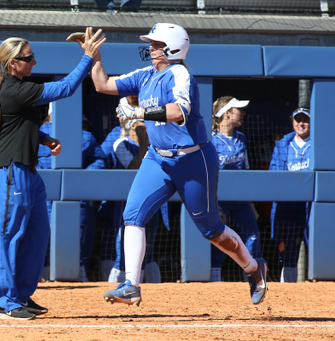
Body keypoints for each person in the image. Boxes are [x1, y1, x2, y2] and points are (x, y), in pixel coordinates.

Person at [82, 23, 267, 306]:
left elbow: (179, 112)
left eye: (156, 44)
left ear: (171, 48)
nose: (151, 48)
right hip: (158, 158)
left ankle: (253, 269)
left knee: (211, 230)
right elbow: (102, 84)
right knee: (132, 214)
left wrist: (138, 112)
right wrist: (93, 56)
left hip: (192, 159)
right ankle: (131, 284)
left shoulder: (180, 74)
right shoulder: (145, 74)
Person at [0, 28, 105, 320]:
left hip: (26, 169)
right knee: (9, 236)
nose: (34, 62)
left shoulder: (16, 87)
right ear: (13, 63)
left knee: (38, 233)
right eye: (29, 58)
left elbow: (16, 125)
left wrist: (44, 138)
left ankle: (21, 294)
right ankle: (4, 301)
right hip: (8, 170)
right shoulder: (13, 88)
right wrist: (87, 58)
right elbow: (65, 88)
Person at [37, 105, 107, 282]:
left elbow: (100, 161)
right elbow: (100, 161)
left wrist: (82, 176)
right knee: (73, 254)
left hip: (55, 200)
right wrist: (81, 177)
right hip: (56, 202)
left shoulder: (84, 135)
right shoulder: (38, 133)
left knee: (46, 252)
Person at [108, 96, 167, 284]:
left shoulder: (153, 146)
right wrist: (143, 143)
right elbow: (134, 169)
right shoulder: (121, 144)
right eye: (142, 125)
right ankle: (120, 287)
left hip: (151, 203)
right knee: (123, 254)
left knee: (149, 253)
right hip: (127, 205)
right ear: (133, 126)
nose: (146, 129)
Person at [210, 96, 262, 282]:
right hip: (220, 201)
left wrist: (251, 203)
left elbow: (245, 171)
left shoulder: (241, 138)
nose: (243, 113)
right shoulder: (211, 140)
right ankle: (214, 284)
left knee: (253, 238)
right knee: (219, 243)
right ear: (227, 113)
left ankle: (253, 281)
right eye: (239, 110)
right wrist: (214, 205)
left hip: (240, 200)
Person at [269, 108, 311, 283]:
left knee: (316, 246)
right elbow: (274, 173)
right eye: (297, 120)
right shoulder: (283, 145)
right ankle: (288, 292)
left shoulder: (318, 144)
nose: (300, 124)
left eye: (305, 120)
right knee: (287, 251)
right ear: (292, 121)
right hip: (288, 205)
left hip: (311, 205)